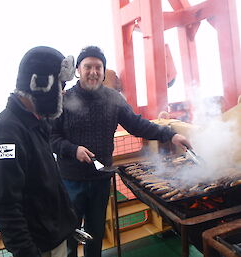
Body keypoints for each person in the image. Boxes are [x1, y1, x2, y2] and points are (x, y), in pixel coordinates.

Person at [50, 45, 192, 257]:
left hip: (100, 178)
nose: (93, 72)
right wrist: (73, 149)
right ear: (78, 69)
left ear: (103, 70)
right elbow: (52, 138)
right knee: (69, 233)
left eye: (98, 67)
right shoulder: (63, 99)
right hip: (70, 180)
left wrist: (170, 135)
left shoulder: (113, 99)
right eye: (88, 66)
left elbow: (138, 125)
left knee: (95, 232)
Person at [0, 46, 78, 257]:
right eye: (60, 84)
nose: (63, 91)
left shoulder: (35, 123)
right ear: (41, 85)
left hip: (54, 237)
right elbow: (4, 207)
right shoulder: (5, 136)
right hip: (41, 247)